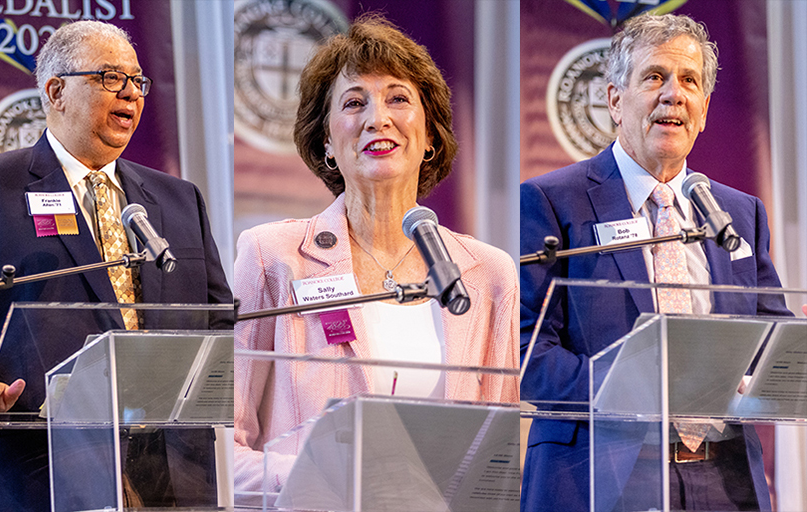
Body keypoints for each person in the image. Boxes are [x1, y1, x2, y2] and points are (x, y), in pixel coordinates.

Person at [0, 21, 233, 511]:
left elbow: (217, 318)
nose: (131, 93)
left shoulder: (179, 199)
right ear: (56, 91)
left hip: (172, 475)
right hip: (36, 470)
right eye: (109, 77)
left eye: (138, 81)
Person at [232, 14, 520, 493]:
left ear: (430, 135)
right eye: (353, 102)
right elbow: (222, 441)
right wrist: (320, 478)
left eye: (399, 98)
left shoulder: (488, 275)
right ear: (327, 140)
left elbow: (498, 460)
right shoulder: (272, 256)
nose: (376, 118)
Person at [518, 14, 792, 512]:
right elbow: (527, 353)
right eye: (654, 77)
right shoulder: (552, 201)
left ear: (704, 110)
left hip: (723, 477)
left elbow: (772, 334)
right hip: (599, 472)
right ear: (615, 100)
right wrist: (631, 389)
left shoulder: (738, 212)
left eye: (689, 82)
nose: (674, 95)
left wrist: (773, 373)